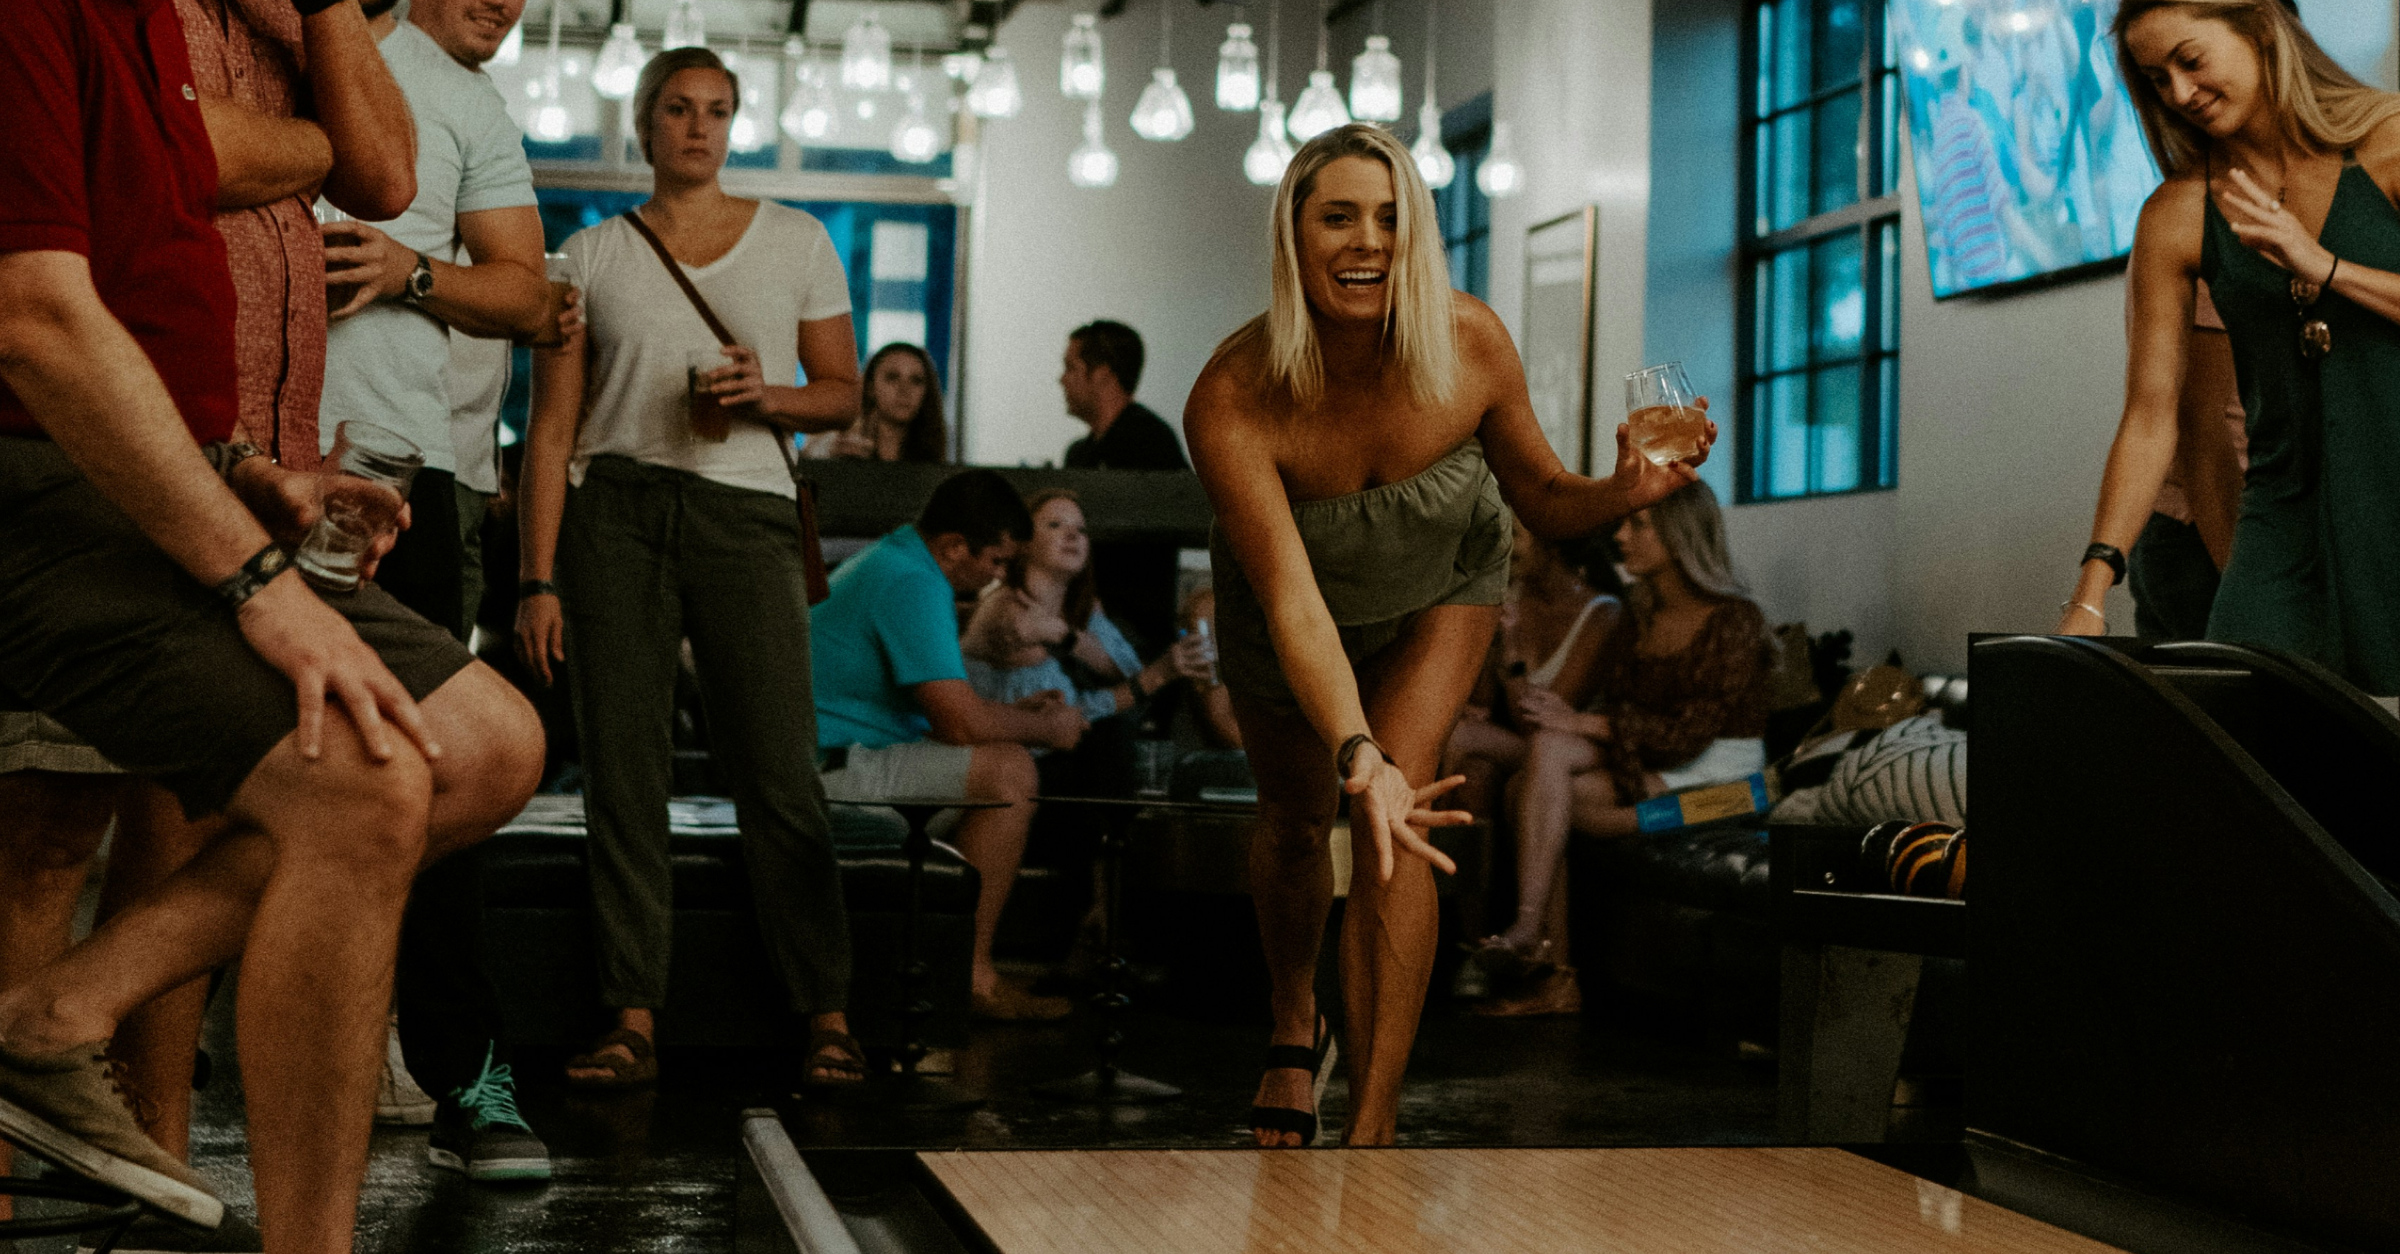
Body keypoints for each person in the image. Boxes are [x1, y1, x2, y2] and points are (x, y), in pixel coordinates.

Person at [0, 2, 543, 1251]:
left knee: (489, 746)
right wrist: (254, 581)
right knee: (357, 780)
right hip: (44, 484)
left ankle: (51, 1019)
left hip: (187, 466)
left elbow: (173, 263)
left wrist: (244, 467)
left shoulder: (147, 26)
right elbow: (34, 318)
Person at [1186, 124, 1711, 1148]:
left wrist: (1621, 491)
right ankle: (1293, 1031)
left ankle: (1373, 1124)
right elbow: (1294, 603)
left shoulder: (1470, 342)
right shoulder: (1234, 396)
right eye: (1338, 216)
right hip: (1294, 611)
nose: (1367, 242)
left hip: (1443, 581)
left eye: (1390, 219)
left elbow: (1549, 502)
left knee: (1399, 814)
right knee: (1300, 826)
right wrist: (1353, 752)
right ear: (1293, 234)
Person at [515, 47, 867, 1091]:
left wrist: (770, 393)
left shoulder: (798, 239)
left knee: (779, 766)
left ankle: (828, 1015)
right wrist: (536, 578)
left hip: (746, 507)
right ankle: (631, 1019)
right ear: (644, 123)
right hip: (614, 510)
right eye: (678, 109)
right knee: (624, 770)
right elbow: (550, 432)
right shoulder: (589, 256)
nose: (699, 128)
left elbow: (842, 393)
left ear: (735, 123)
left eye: (718, 110)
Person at [322, 0, 557, 1185]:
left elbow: (531, 299)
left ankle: (466, 1078)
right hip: (218, 455)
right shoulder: (233, 45)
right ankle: (137, 1087)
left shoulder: (459, 98)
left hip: (393, 476)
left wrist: (412, 269)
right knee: (184, 784)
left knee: (438, 770)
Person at [2062, 0, 2400, 695]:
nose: (2180, 94)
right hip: (2283, 515)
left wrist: (2324, 266)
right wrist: (2091, 589)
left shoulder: (2388, 141)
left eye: (2190, 60)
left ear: (2260, 28)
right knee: (2245, 738)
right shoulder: (2177, 213)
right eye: (2158, 79)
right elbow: (2151, 415)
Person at [1469, 484, 1768, 1017]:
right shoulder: (1641, 613)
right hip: (1655, 768)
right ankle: (1549, 963)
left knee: (1542, 781)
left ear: (1679, 537)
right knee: (1536, 773)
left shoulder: (1734, 619)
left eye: (1639, 525)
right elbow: (1631, 723)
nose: (1620, 535)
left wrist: (1582, 722)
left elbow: (1687, 737)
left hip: (1727, 791)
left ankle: (1536, 944)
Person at [809, 470, 1092, 1020]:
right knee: (1009, 773)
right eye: (996, 560)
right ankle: (969, 978)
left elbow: (940, 707)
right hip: (827, 772)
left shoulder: (898, 560)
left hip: (841, 757)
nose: (999, 574)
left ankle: (936, 963)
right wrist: (1046, 728)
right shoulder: (912, 580)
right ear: (955, 547)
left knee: (1003, 757)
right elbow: (958, 725)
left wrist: (1017, 714)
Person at [961, 488, 1214, 729]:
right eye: (1055, 525)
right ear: (1024, 543)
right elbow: (1062, 722)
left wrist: (1066, 636)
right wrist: (1160, 673)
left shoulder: (1084, 609)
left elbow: (1130, 671)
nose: (1073, 535)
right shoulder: (1008, 611)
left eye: (1080, 529)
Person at [1443, 522, 1622, 819]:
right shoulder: (1509, 596)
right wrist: (1491, 645)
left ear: (1550, 544)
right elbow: (1482, 705)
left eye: (1514, 535)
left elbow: (1539, 724)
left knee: (1461, 736)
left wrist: (1512, 655)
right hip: (1516, 740)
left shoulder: (1602, 614)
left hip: (1562, 748)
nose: (1505, 547)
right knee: (1473, 777)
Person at [2128, 283, 2250, 640]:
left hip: (2206, 528)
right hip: (2205, 531)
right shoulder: (2201, 241)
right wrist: (2245, 590)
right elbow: (2199, 430)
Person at [1060, 319, 1188, 650]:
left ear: (1102, 375)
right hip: (1084, 616)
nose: (1061, 379)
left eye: (1070, 367)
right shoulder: (1080, 453)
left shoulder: (1151, 441)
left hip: (1132, 628)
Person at [802, 341, 949, 462]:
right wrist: (829, 454)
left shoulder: (933, 459)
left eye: (916, 381)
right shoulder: (841, 444)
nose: (905, 390)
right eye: (892, 377)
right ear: (870, 388)